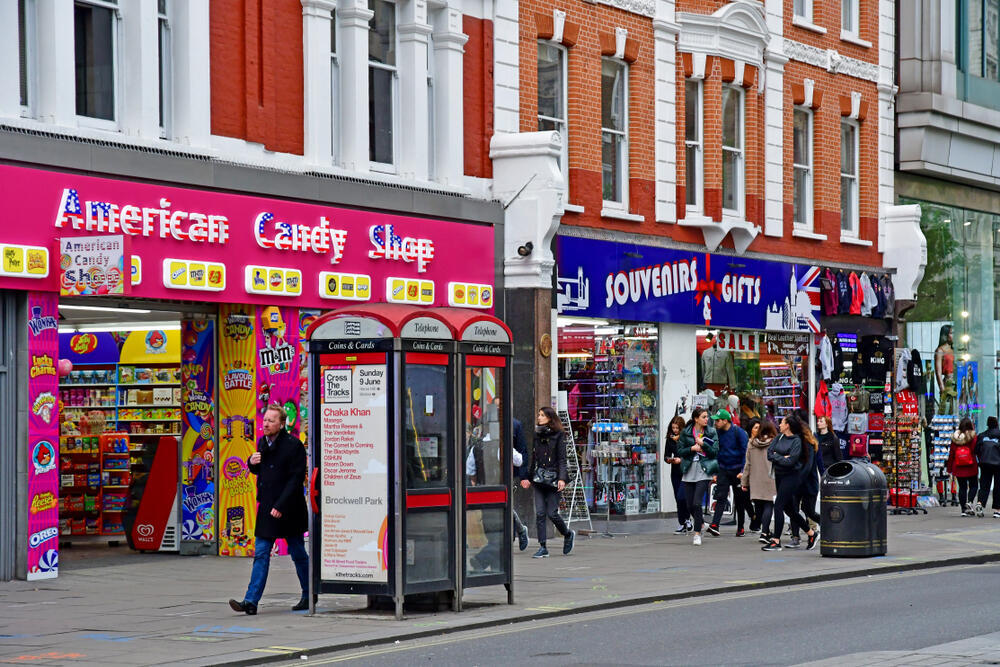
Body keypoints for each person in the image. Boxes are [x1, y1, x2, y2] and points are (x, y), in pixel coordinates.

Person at [229, 405, 310, 615]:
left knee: (298, 553)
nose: (265, 424)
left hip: (289, 508)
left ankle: (309, 593)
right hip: (267, 508)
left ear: (281, 424)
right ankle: (250, 601)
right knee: (261, 553)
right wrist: (251, 463)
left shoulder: (294, 445)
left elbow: (295, 479)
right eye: (265, 420)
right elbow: (263, 471)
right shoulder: (262, 442)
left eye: (271, 421)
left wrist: (280, 506)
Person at [520, 407, 575, 558]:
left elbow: (562, 459)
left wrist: (562, 479)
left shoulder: (559, 435)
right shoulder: (537, 434)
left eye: (542, 415)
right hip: (539, 478)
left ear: (550, 418)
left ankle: (567, 533)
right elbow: (534, 457)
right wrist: (527, 477)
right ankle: (543, 547)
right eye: (538, 415)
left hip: (554, 479)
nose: (539, 417)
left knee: (552, 513)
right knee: (539, 513)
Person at [763, 414, 818, 552]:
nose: (779, 425)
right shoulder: (779, 437)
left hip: (791, 477)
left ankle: (776, 541)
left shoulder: (797, 441)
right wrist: (781, 457)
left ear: (788, 425)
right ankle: (811, 534)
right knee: (790, 510)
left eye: (781, 422)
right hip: (780, 475)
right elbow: (769, 453)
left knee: (779, 506)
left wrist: (778, 457)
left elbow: (791, 461)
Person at [707, 408, 754, 537]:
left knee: (740, 499)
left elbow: (745, 453)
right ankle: (715, 524)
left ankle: (741, 527)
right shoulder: (717, 433)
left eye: (718, 421)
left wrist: (742, 471)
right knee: (720, 496)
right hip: (723, 468)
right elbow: (716, 451)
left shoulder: (738, 432)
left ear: (725, 421)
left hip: (737, 469)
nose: (715, 423)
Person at [676, 407, 719, 546]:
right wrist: (691, 449)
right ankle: (702, 524)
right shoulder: (686, 432)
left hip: (703, 469)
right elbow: (680, 450)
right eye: (704, 417)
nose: (707, 419)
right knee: (689, 505)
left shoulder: (711, 432)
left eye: (707, 417)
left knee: (696, 502)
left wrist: (703, 444)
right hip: (689, 469)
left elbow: (715, 451)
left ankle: (697, 534)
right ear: (696, 419)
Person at [742, 419, 777, 544]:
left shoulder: (751, 443)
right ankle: (764, 532)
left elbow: (748, 464)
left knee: (759, 507)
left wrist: (744, 481)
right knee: (769, 505)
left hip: (755, 479)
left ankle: (765, 531)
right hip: (770, 478)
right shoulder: (774, 442)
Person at [790, 420, 822, 549]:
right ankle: (796, 537)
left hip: (808, 483)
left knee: (808, 510)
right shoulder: (796, 443)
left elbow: (808, 466)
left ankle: (826, 525)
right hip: (799, 483)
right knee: (793, 510)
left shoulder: (809, 444)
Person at [664, 415, 692, 534]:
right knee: (678, 497)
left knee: (682, 497)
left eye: (677, 428)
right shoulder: (670, 439)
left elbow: (690, 454)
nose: (675, 430)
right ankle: (683, 522)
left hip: (685, 471)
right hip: (675, 471)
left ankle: (687, 519)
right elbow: (666, 455)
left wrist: (681, 459)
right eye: (673, 428)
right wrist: (669, 459)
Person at [947, 417, 980, 516]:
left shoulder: (955, 437)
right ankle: (969, 502)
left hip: (958, 466)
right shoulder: (973, 437)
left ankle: (963, 510)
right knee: (974, 485)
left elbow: (951, 453)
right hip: (971, 465)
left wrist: (949, 468)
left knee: (962, 487)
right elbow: (976, 450)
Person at [975, 416, 1000, 518]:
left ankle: (980, 503)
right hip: (998, 464)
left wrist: (981, 459)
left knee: (984, 484)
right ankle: (997, 510)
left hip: (984, 463)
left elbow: (976, 450)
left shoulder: (982, 435)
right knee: (998, 486)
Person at [512, 417, 530, 549]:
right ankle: (519, 530)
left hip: (508, 471)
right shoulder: (487, 422)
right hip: (490, 469)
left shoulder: (515, 424)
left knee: (506, 503)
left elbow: (522, 450)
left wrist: (523, 475)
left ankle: (520, 530)